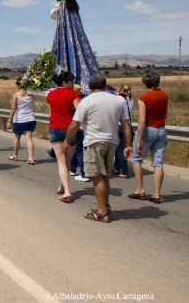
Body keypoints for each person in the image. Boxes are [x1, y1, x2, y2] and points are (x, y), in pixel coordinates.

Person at [64, 75, 132, 223]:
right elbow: (126, 124)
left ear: (89, 86)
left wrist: (67, 141)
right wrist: (128, 145)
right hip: (112, 141)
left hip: (94, 141)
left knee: (97, 177)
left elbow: (75, 124)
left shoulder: (86, 101)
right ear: (105, 85)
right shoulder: (118, 100)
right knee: (105, 175)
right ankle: (105, 206)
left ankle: (101, 212)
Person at [51, 0, 101, 92]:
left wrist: (57, 4)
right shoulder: (75, 7)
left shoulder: (62, 5)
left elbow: (53, 15)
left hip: (64, 35)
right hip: (76, 36)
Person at [128, 69, 169, 204]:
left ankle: (140, 189)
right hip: (161, 130)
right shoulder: (164, 95)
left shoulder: (143, 98)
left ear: (145, 82)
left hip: (148, 130)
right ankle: (156, 194)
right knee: (158, 163)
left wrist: (138, 139)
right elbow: (164, 114)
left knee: (136, 159)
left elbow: (141, 121)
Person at [46, 70, 80, 203]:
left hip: (54, 128)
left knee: (61, 161)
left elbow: (51, 111)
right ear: (65, 82)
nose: (73, 83)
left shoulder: (50, 94)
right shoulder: (73, 94)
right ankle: (67, 190)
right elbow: (80, 111)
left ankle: (62, 187)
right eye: (71, 80)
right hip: (70, 129)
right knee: (68, 160)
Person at [6, 78, 36, 164]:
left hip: (19, 120)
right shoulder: (32, 95)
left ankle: (15, 155)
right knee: (29, 138)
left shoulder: (16, 94)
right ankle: (31, 158)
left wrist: (9, 120)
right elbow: (33, 107)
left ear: (19, 85)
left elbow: (13, 108)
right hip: (30, 119)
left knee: (17, 138)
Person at [113, 84, 133, 178]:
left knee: (120, 150)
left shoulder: (119, 99)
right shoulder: (130, 100)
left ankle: (124, 171)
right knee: (118, 149)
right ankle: (117, 168)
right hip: (127, 126)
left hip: (120, 126)